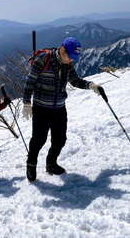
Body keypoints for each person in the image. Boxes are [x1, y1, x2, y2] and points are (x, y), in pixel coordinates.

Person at [22, 37, 108, 182]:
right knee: (39, 139)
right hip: (41, 107)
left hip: (59, 108)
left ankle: (51, 163)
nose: (71, 60)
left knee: (60, 139)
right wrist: (26, 103)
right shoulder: (43, 60)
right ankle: (31, 164)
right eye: (69, 56)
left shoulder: (68, 64)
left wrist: (92, 86)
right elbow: (30, 81)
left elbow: (75, 81)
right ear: (62, 50)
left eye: (73, 58)